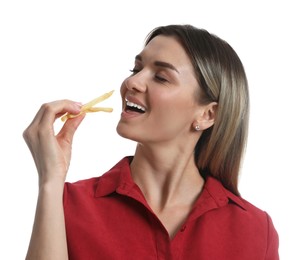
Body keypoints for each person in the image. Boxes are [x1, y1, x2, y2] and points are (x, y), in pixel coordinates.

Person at [23, 24, 279, 259]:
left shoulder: (255, 230)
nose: (132, 82)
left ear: (207, 114)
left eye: (161, 77)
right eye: (136, 69)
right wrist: (50, 180)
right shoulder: (66, 205)